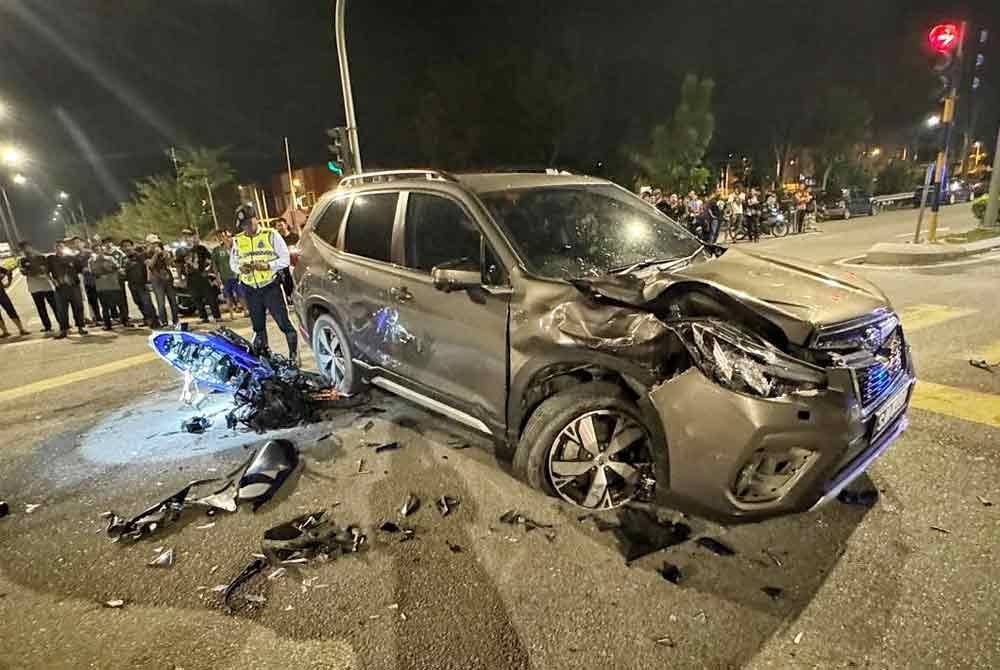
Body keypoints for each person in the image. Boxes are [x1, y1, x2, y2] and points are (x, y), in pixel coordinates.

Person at [230, 205, 297, 360]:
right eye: (243, 225)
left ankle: (293, 356)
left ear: (256, 219)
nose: (247, 227)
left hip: (270, 287)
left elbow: (285, 259)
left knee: (284, 323)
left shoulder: (271, 234)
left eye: (249, 223)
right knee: (258, 327)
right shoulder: (238, 240)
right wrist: (240, 268)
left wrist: (268, 266)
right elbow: (233, 263)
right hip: (250, 289)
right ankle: (265, 358)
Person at [47, 239, 88, 338]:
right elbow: (47, 272)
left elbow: (80, 269)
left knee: (78, 307)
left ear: (64, 247)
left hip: (74, 286)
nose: (59, 248)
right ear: (54, 248)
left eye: (61, 246)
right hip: (60, 288)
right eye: (57, 246)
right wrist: (53, 281)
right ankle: (64, 330)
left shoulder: (72, 258)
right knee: (62, 310)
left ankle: (80, 327)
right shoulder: (51, 259)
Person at [180, 228, 222, 323]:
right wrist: (181, 278)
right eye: (185, 236)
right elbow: (178, 265)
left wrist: (207, 271)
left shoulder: (201, 248)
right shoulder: (181, 251)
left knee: (210, 296)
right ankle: (203, 317)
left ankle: (217, 316)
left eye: (189, 236)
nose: (187, 238)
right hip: (190, 277)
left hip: (202, 275)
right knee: (196, 298)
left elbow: (210, 260)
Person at [17, 241, 57, 333]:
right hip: (34, 288)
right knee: (41, 308)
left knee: (55, 306)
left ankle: (63, 323)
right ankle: (47, 326)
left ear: (31, 247)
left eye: (27, 247)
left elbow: (46, 269)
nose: (25, 249)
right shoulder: (22, 260)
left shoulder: (41, 257)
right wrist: (34, 272)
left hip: (46, 286)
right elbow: (23, 272)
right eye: (23, 248)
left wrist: (35, 272)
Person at [90, 242, 129, 330]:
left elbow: (117, 267)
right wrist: (107, 270)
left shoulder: (110, 258)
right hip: (102, 287)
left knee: (120, 304)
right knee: (105, 307)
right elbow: (94, 272)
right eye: (96, 250)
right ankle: (107, 324)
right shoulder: (92, 261)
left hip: (113, 284)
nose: (99, 252)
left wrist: (107, 270)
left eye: (100, 249)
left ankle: (125, 321)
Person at [119, 239, 158, 327]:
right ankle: (146, 319)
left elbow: (148, 267)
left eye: (128, 245)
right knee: (138, 303)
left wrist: (148, 282)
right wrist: (123, 273)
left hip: (142, 284)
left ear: (133, 246)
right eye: (124, 246)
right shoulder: (124, 259)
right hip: (132, 285)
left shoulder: (140, 255)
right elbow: (125, 273)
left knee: (147, 303)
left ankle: (154, 321)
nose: (127, 248)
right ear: (121, 248)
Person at [146, 236, 178, 326]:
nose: (156, 245)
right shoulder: (147, 254)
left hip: (167, 278)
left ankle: (176, 320)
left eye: (157, 243)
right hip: (156, 279)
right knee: (161, 302)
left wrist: (167, 256)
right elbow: (150, 265)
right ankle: (164, 321)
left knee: (173, 300)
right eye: (153, 243)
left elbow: (170, 264)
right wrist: (156, 254)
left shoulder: (164, 252)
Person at [211, 230, 242, 318]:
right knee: (228, 295)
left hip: (236, 275)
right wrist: (217, 277)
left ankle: (246, 311)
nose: (222, 238)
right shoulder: (216, 250)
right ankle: (231, 314)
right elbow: (214, 265)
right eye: (219, 237)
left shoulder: (234, 246)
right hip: (225, 277)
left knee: (241, 294)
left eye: (223, 236)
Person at [72, 236, 102, 326]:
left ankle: (102, 317)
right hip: (86, 281)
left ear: (83, 243)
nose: (77, 244)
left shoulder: (90, 253)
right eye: (75, 243)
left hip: (96, 279)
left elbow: (97, 263)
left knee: (100, 298)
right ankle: (95, 318)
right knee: (91, 300)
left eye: (78, 242)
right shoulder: (76, 257)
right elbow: (76, 270)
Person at [0, 263, 29, 338]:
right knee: (10, 310)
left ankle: (21, 329)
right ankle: (5, 332)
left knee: (10, 310)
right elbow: (8, 272)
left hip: (1, 294)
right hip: (1, 294)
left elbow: (9, 272)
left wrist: (8, 283)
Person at [275, 220, 298, 304]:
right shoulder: (278, 239)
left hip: (295, 262)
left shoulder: (295, 236)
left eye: (281, 225)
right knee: (287, 280)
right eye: (278, 226)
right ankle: (290, 297)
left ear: (286, 225)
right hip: (285, 264)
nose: (279, 228)